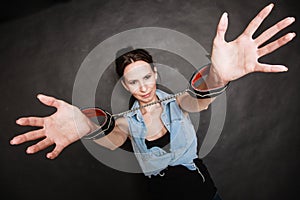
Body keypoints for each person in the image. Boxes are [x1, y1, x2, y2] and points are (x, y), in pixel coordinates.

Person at [10, 3, 295, 200]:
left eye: (147, 77)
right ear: (124, 84)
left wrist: (218, 78)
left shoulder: (178, 102)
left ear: (155, 73)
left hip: (203, 194)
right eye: (133, 81)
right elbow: (112, 138)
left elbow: (199, 100)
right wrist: (84, 126)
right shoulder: (124, 121)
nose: (143, 87)